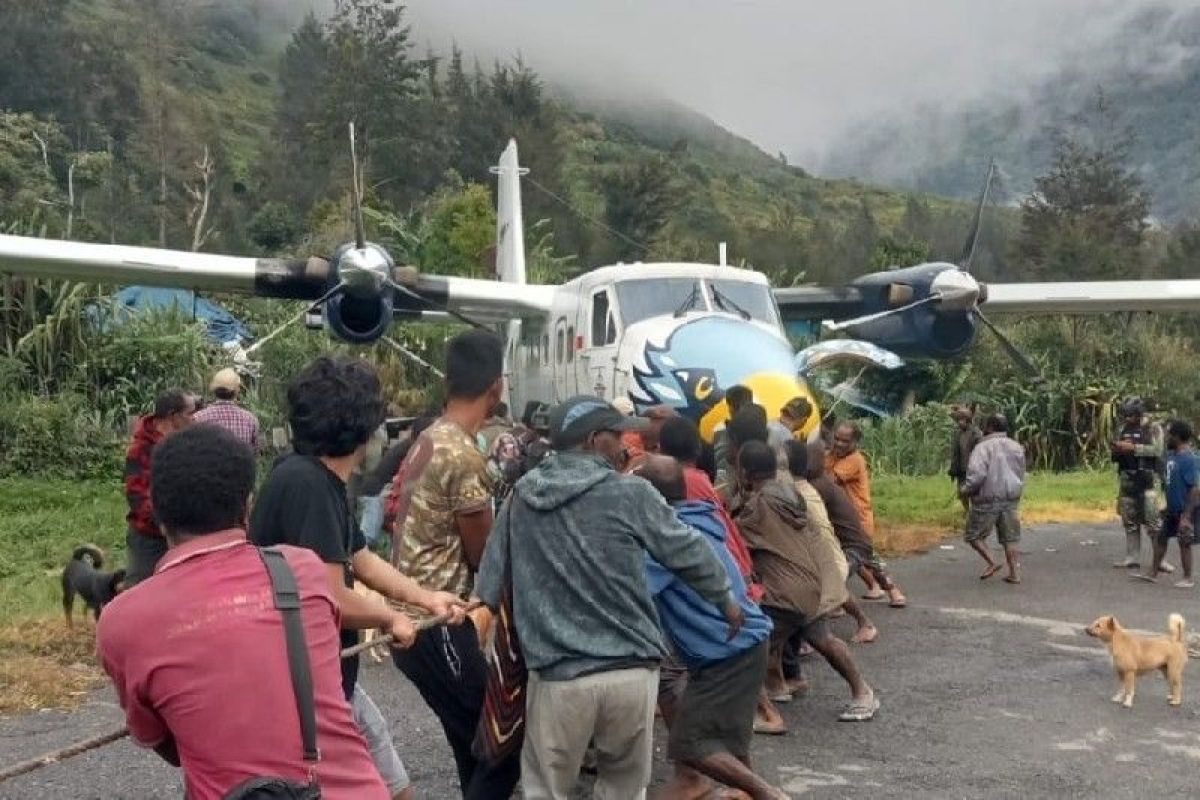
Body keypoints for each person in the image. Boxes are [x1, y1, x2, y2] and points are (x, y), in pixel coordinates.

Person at [98, 424, 389, 799]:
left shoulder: (123, 621)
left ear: (155, 511)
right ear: (248, 505)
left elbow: (162, 740)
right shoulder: (304, 570)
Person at [476, 395, 740, 800]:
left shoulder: (523, 496)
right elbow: (687, 549)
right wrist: (725, 599)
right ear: (594, 439)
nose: (625, 445)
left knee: (545, 791)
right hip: (630, 676)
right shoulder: (632, 493)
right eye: (618, 435)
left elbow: (490, 578)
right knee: (622, 790)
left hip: (559, 680)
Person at [251, 357, 466, 800]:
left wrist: (426, 599)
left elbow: (361, 559)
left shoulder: (313, 476)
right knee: (380, 782)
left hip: (323, 678)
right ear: (368, 431)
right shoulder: (308, 487)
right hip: (306, 690)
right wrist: (390, 619)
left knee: (390, 776)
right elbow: (331, 598)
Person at [386, 330, 521, 799]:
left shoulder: (431, 436)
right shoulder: (464, 455)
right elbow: (485, 556)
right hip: (436, 624)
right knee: (501, 746)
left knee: (470, 744)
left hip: (410, 618)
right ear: (497, 387)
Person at [634, 455, 787, 800]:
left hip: (728, 650)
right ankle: (746, 790)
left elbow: (632, 591)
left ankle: (766, 794)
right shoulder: (699, 518)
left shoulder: (667, 540)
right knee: (729, 738)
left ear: (645, 497)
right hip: (746, 641)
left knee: (690, 744)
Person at [733, 441, 879, 723]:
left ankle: (766, 713)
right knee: (820, 638)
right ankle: (861, 692)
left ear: (746, 472)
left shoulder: (758, 507)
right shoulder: (791, 494)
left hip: (785, 589)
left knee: (751, 644)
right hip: (812, 580)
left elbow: (734, 536)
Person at [802, 441, 907, 641]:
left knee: (831, 581)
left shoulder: (819, 486)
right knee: (837, 578)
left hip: (853, 546)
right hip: (851, 542)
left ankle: (865, 623)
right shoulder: (821, 482)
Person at [124, 389, 196, 586]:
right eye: (190, 413)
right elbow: (138, 498)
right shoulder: (141, 450)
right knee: (138, 593)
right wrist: (167, 523)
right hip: (150, 536)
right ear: (174, 416)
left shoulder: (187, 444)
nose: (195, 418)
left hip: (183, 534)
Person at [959, 413, 1026, 584]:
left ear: (989, 427)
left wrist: (966, 489)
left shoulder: (983, 447)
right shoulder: (1016, 446)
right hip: (1011, 497)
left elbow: (977, 475)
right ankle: (1014, 573)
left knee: (973, 535)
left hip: (987, 499)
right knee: (1010, 538)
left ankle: (992, 561)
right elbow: (1021, 471)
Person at [826, 422, 886, 599]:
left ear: (855, 442)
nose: (838, 444)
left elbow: (829, 480)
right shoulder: (832, 457)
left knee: (867, 559)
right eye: (836, 439)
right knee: (854, 558)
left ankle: (893, 591)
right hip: (842, 519)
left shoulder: (853, 460)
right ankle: (875, 586)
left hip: (857, 519)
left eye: (845, 441)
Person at [1135, 419, 1197, 588]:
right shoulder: (1172, 456)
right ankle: (1153, 572)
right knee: (1161, 537)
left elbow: (1194, 489)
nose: (1168, 437)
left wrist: (1187, 515)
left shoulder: (1189, 459)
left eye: (1170, 434)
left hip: (1185, 509)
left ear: (1177, 437)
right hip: (1172, 508)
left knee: (1184, 541)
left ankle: (1187, 578)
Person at [1111, 397, 1170, 572]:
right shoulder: (1122, 428)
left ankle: (1160, 560)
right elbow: (1115, 450)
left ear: (1139, 414)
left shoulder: (1153, 428)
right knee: (1129, 521)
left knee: (1153, 522)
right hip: (1127, 479)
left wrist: (1134, 448)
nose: (1127, 419)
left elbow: (1157, 450)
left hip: (1148, 479)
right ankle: (1132, 558)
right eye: (1125, 415)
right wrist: (1116, 448)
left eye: (1130, 415)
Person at [192, 367, 259, 451]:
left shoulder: (198, 418)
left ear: (214, 390)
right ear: (236, 391)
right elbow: (255, 454)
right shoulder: (250, 420)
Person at [714, 384, 754, 489]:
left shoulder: (721, 429)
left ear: (730, 406)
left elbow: (718, 461)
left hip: (726, 482)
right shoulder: (760, 427)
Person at [948, 405, 982, 511]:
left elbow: (980, 451)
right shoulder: (957, 433)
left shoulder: (976, 433)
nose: (959, 423)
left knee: (974, 492)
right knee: (961, 492)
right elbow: (955, 453)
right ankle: (967, 510)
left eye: (961, 420)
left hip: (973, 468)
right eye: (958, 420)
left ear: (967, 420)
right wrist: (953, 470)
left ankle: (975, 511)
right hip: (961, 469)